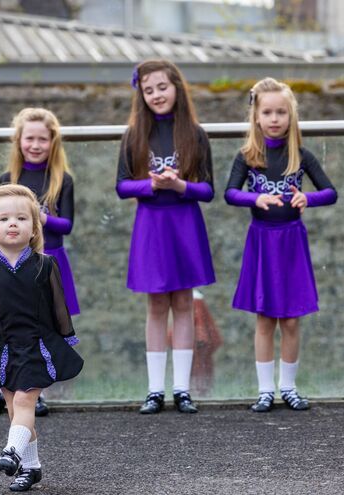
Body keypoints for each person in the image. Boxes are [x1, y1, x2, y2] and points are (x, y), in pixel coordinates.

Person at [225, 77, 337, 412]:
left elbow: (330, 192)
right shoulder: (247, 156)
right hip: (262, 242)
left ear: (291, 116)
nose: (275, 119)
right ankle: (264, 390)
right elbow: (230, 193)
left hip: (291, 242)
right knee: (265, 318)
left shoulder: (300, 156)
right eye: (268, 112)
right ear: (256, 117)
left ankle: (288, 386)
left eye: (281, 113)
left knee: (290, 320)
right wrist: (255, 197)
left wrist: (308, 198)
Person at [116, 59, 215, 414]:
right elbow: (122, 186)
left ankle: (181, 389)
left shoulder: (195, 133)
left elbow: (207, 190)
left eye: (162, 87)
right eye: (149, 90)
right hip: (152, 226)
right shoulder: (133, 135)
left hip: (185, 223)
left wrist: (179, 185)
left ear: (177, 87)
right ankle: (155, 389)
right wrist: (151, 184)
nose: (157, 95)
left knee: (184, 303)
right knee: (157, 305)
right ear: (141, 95)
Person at [0, 184, 83, 492]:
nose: (13, 224)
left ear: (34, 228)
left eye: (21, 218)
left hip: (37, 346)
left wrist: (66, 339)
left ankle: (11, 452)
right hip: (4, 348)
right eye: (4, 219)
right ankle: (31, 468)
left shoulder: (46, 265)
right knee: (14, 409)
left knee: (24, 400)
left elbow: (59, 307)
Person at [0, 107, 79, 417]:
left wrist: (40, 217)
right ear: (18, 141)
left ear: (52, 141)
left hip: (51, 261)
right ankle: (14, 387)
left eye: (42, 139)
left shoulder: (62, 179)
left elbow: (67, 225)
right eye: (29, 138)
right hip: (16, 263)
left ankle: (36, 389)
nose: (35, 145)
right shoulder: (8, 179)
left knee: (47, 327)